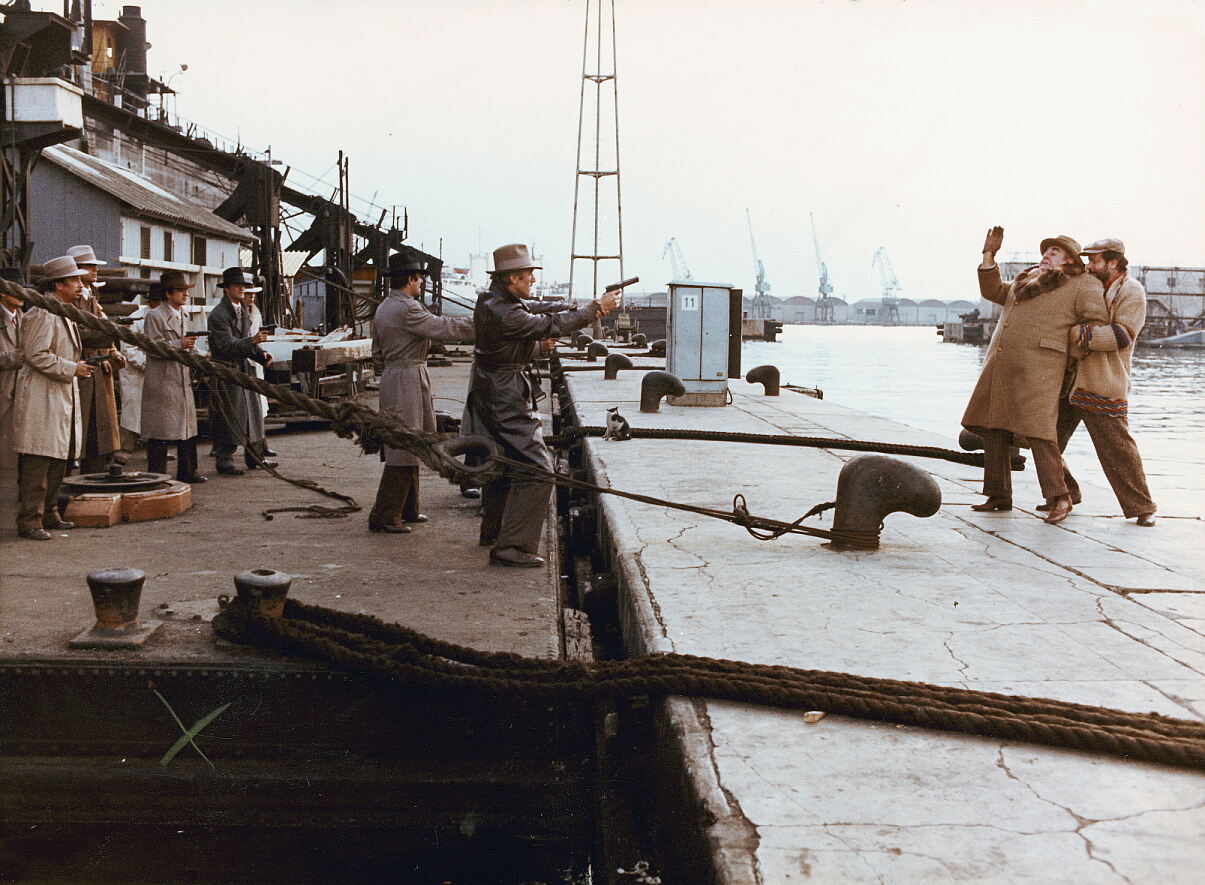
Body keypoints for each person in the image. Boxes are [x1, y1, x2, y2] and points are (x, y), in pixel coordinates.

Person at [466, 243, 620, 567]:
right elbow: (548, 324)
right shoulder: (505, 312)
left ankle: (494, 532)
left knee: (505, 460)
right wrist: (593, 310)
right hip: (503, 394)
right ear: (512, 279)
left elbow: (539, 307)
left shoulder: (495, 300)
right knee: (539, 469)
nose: (533, 281)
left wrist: (584, 306)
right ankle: (511, 546)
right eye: (528, 276)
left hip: (492, 388)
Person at [962, 228, 1108, 524]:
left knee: (1039, 432)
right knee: (994, 425)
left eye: (1054, 252)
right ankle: (999, 494)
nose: (1046, 255)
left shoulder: (1083, 284)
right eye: (1045, 251)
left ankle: (1059, 497)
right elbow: (993, 291)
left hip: (1042, 369)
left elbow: (1094, 324)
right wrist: (989, 256)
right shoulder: (1026, 280)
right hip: (1002, 365)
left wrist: (1066, 351)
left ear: (1069, 260)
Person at [1051, 238, 1157, 526]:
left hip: (1104, 382)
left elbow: (1120, 337)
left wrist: (1078, 334)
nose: (1089, 265)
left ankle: (1143, 506)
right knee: (1045, 441)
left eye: (1095, 260)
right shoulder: (1092, 285)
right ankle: (1065, 492)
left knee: (1118, 450)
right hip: (1071, 382)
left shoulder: (1132, 292)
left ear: (1113, 262)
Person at [368, 252, 474, 533]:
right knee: (405, 444)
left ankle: (409, 509)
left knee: (413, 442)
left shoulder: (384, 307)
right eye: (419, 279)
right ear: (410, 279)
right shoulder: (407, 308)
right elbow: (444, 328)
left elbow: (377, 352)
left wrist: (390, 372)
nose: (421, 284)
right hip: (408, 376)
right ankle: (385, 515)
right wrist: (482, 325)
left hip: (396, 374)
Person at [12, 255, 93, 540]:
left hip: (58, 394)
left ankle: (49, 513)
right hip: (41, 394)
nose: (81, 285)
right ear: (59, 285)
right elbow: (36, 354)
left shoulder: (63, 312)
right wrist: (73, 368)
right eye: (75, 281)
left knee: (59, 456)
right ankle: (30, 520)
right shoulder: (42, 314)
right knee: (39, 458)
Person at [207, 267, 274, 476]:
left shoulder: (242, 310)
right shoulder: (218, 315)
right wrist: (252, 342)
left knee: (252, 415)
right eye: (237, 286)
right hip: (226, 371)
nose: (241, 290)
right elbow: (226, 345)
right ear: (226, 289)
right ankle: (224, 459)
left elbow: (244, 341)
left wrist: (260, 354)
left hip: (243, 370)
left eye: (243, 286)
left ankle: (255, 456)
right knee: (229, 415)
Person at [141, 271, 206, 483]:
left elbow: (189, 347)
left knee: (186, 428)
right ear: (168, 294)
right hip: (163, 382)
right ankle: (156, 475)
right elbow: (151, 348)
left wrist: (203, 357)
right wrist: (179, 344)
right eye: (181, 290)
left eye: (186, 290)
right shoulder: (155, 316)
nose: (186, 294)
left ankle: (188, 471)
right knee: (161, 431)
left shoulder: (183, 315)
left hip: (181, 380)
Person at [66, 244, 124, 474]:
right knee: (79, 428)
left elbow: (102, 324)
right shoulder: (70, 300)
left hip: (96, 368)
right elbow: (81, 333)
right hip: (79, 368)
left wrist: (112, 350)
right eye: (88, 266)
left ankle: (93, 475)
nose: (94, 270)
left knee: (97, 429)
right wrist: (110, 334)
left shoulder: (92, 295)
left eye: (93, 266)